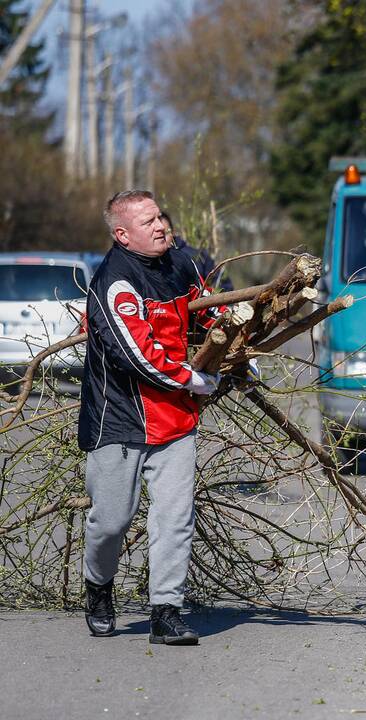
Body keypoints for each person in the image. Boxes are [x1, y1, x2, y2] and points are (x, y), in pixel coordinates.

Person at [78, 190, 221, 645]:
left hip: (176, 421)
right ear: (122, 235)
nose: (160, 226)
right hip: (119, 420)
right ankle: (98, 588)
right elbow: (136, 355)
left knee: (174, 518)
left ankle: (167, 612)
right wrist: (191, 379)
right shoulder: (114, 282)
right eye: (148, 222)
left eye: (160, 216)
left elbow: (212, 307)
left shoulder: (182, 262)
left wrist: (237, 352)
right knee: (112, 521)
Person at [161, 210, 234, 292]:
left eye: (165, 233)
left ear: (173, 233)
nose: (161, 238)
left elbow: (223, 284)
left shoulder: (197, 256)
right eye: (158, 233)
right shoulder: (148, 266)